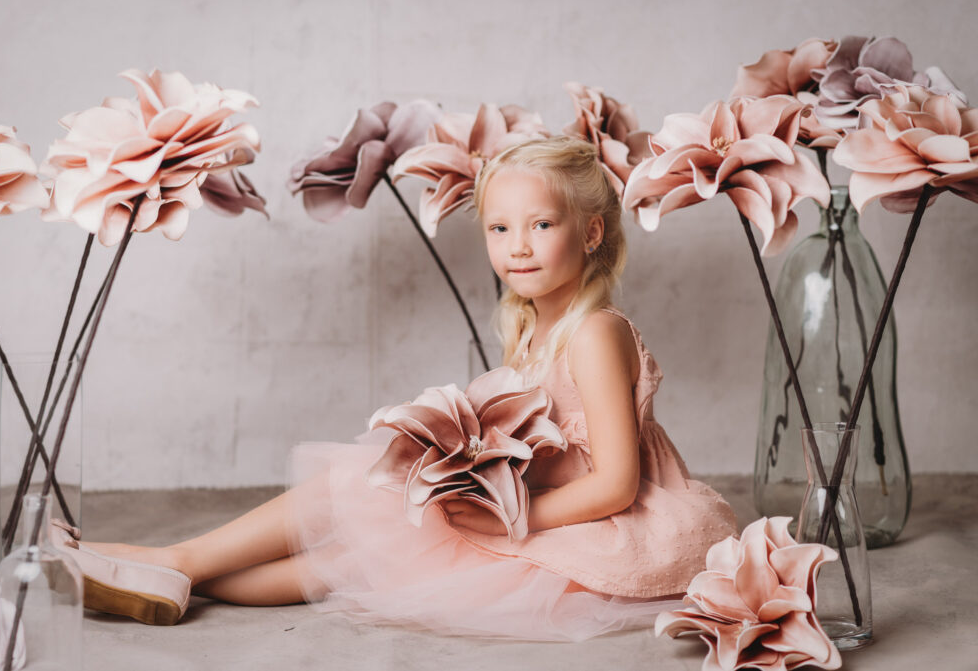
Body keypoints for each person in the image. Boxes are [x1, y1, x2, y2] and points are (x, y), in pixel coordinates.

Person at [54, 136, 737, 641]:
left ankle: (169, 564)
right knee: (368, 519)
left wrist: (512, 515)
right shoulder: (534, 328)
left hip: (599, 527)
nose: (518, 247)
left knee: (357, 546)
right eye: (500, 228)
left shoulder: (595, 332)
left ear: (590, 231)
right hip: (535, 502)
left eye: (541, 225)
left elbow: (617, 482)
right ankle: (171, 573)